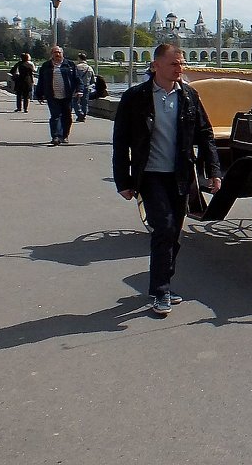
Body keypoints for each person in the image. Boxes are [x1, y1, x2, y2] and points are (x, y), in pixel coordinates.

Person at [112, 43, 222, 316]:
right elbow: (120, 141)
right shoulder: (135, 97)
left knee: (174, 232)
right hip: (149, 175)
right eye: (174, 63)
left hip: (180, 174)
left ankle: (163, 282)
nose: (179, 68)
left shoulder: (189, 96)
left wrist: (214, 171)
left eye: (181, 63)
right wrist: (122, 181)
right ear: (156, 66)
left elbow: (205, 134)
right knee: (164, 227)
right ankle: (161, 291)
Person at [34, 46, 82, 145]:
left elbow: (78, 79)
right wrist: (39, 94)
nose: (57, 54)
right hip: (52, 95)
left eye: (59, 52)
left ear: (62, 54)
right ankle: (55, 136)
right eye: (55, 52)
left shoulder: (69, 65)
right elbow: (41, 81)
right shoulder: (46, 66)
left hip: (67, 95)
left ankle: (64, 135)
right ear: (52, 54)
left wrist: (79, 90)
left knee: (67, 117)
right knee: (55, 116)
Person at [73, 52, 94, 122]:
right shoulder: (90, 68)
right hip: (86, 87)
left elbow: (73, 77)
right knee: (85, 102)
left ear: (79, 58)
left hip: (77, 87)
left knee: (75, 101)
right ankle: (84, 115)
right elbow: (93, 80)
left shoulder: (77, 67)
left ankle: (79, 114)